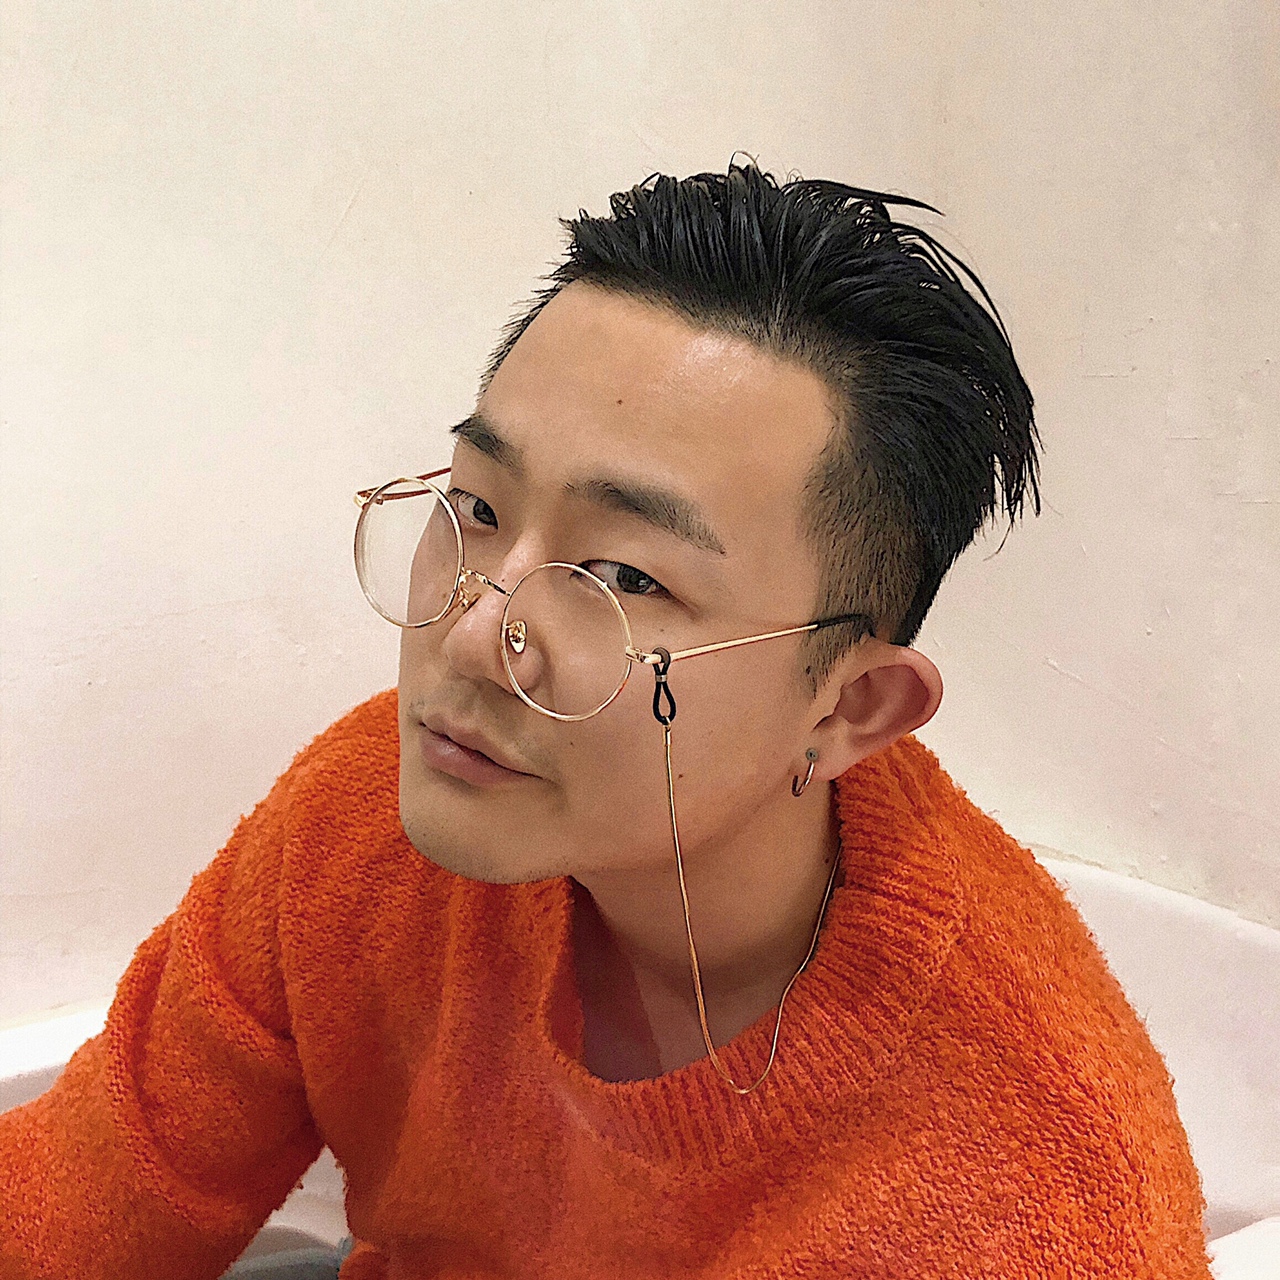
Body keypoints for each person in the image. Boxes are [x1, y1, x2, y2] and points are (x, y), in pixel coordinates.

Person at [0, 163, 1211, 1279]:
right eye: (477, 506)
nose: (472, 633)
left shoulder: (1024, 1203)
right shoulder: (375, 810)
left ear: (847, 706)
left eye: (625, 576)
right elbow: (85, 1202)